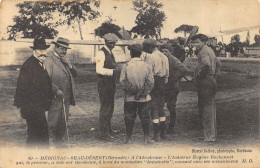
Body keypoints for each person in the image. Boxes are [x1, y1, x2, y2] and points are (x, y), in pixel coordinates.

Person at [14, 37, 52, 148]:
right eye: (40, 50)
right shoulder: (29, 66)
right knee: (37, 136)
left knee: (37, 135)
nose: (43, 53)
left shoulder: (39, 63)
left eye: (44, 50)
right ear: (34, 51)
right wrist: (26, 109)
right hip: (32, 108)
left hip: (38, 107)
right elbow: (22, 88)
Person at [44, 37, 78, 147]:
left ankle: (60, 141)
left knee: (64, 120)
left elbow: (76, 74)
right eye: (62, 49)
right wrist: (55, 89)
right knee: (54, 120)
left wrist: (70, 65)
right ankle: (52, 142)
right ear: (55, 48)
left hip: (66, 96)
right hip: (56, 96)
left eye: (65, 49)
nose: (64, 51)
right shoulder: (49, 60)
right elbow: (45, 79)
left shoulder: (66, 60)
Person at [120, 44, 154, 144]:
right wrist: (142, 92)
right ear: (141, 54)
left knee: (129, 117)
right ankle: (146, 138)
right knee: (145, 117)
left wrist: (133, 90)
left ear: (130, 53)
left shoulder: (126, 66)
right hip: (144, 98)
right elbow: (151, 82)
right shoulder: (146, 66)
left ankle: (128, 138)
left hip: (130, 98)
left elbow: (122, 81)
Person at [191, 34, 221, 143]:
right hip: (210, 81)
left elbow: (206, 65)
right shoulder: (210, 50)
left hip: (205, 82)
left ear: (204, 42)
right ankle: (210, 135)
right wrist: (214, 76)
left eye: (197, 42)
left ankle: (209, 137)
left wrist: (199, 75)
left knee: (206, 109)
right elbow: (218, 64)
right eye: (194, 43)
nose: (195, 44)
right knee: (210, 108)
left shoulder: (203, 51)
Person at [142, 39, 169, 141]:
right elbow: (167, 73)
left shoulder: (150, 57)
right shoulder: (164, 56)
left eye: (145, 48)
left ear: (150, 47)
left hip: (154, 82)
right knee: (161, 107)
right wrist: (163, 83)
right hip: (162, 82)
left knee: (154, 108)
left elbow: (148, 74)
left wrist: (147, 86)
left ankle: (156, 134)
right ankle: (163, 132)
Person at [96, 33, 120, 141]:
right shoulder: (100, 53)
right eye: (110, 43)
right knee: (105, 108)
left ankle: (108, 129)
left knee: (110, 107)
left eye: (114, 43)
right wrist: (114, 71)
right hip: (104, 84)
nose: (112, 45)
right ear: (105, 42)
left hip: (110, 84)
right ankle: (103, 133)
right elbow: (99, 70)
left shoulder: (110, 52)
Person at [160, 44, 188, 134]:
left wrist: (174, 78)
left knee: (171, 106)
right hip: (164, 87)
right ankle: (162, 125)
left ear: (170, 51)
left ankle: (171, 126)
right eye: (163, 51)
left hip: (172, 87)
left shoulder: (173, 59)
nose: (164, 53)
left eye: (166, 51)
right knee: (160, 105)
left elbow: (183, 69)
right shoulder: (161, 59)